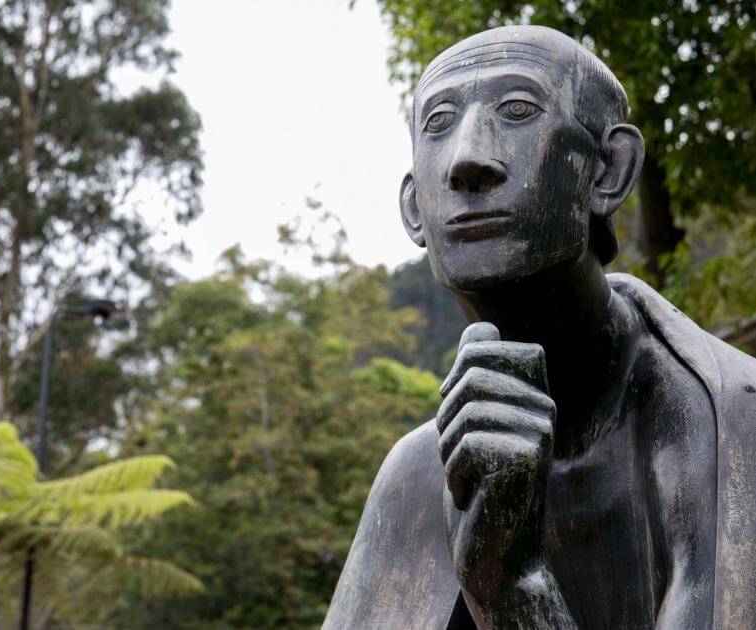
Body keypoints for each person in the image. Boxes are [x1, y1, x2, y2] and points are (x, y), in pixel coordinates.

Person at [323, 25, 756, 629]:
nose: (467, 160)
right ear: (413, 208)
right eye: (440, 122)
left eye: (518, 110)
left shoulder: (731, 429)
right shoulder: (416, 476)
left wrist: (510, 587)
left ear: (608, 170)